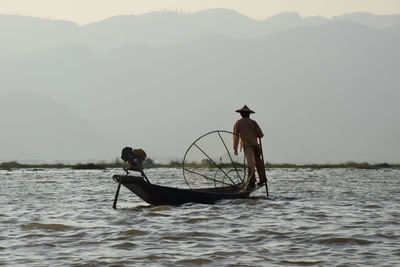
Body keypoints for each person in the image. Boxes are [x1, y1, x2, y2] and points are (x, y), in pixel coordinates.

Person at [233, 105, 266, 190]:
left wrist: (235, 148)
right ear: (248, 114)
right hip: (255, 145)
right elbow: (260, 135)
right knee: (258, 163)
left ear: (241, 114)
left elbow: (236, 136)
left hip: (247, 146)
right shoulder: (253, 122)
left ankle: (251, 182)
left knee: (250, 164)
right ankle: (262, 179)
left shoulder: (238, 123)